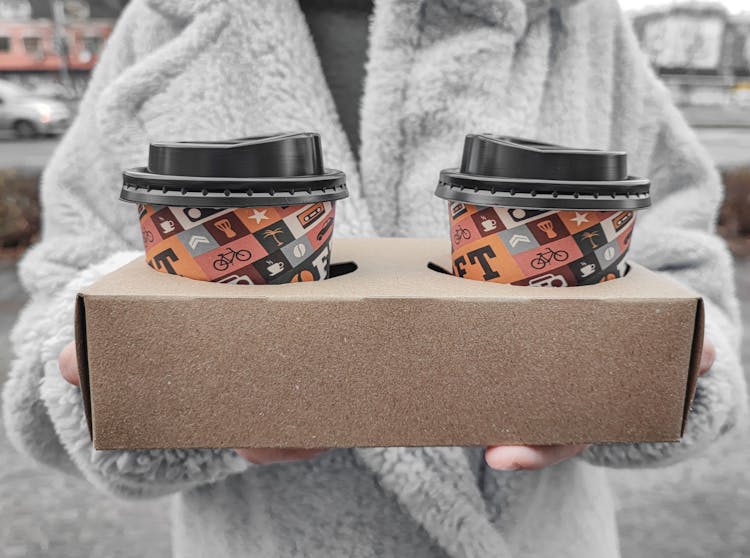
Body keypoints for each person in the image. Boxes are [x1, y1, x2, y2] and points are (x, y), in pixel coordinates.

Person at [2, 0, 744, 557]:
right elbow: (66, 303)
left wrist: (650, 379)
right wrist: (125, 387)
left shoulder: (569, 17)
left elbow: (682, 269)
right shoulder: (168, 21)